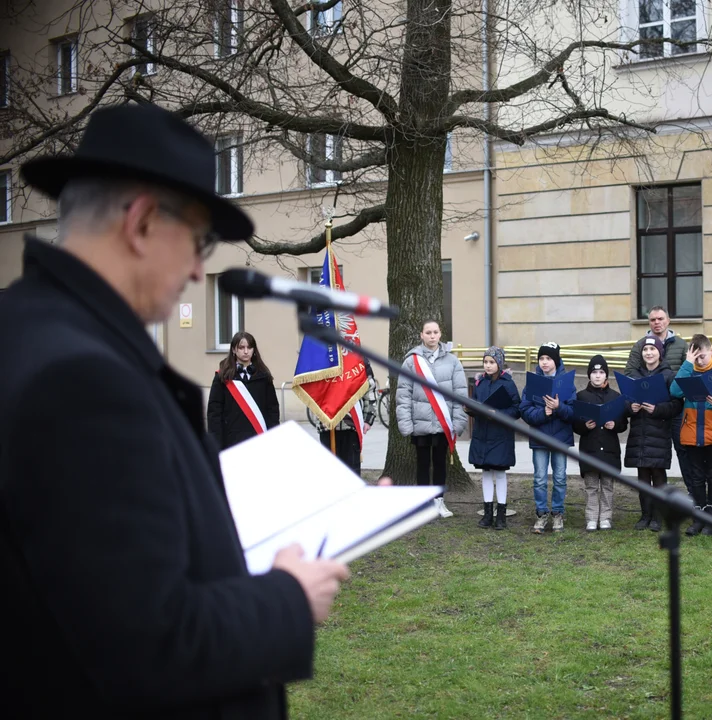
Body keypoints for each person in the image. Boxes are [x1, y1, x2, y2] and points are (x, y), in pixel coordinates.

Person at [0, 104, 347, 717]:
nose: (195, 270)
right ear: (140, 223)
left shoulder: (28, 329)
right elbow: (147, 642)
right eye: (198, 242)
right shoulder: (84, 380)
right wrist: (289, 599)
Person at [396, 319, 468, 518]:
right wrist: (406, 423)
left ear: (440, 334)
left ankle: (439, 502)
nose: (432, 336)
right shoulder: (411, 361)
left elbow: (460, 393)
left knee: (439, 464)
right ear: (421, 335)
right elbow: (403, 395)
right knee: (421, 464)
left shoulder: (452, 361)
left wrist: (458, 421)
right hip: (420, 423)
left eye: (435, 332)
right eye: (428, 332)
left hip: (443, 423)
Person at [670, 334, 712, 536]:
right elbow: (675, 391)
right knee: (696, 477)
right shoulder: (689, 369)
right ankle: (698, 518)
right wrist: (687, 364)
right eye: (695, 357)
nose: (699, 361)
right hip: (691, 433)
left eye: (702, 356)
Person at [624, 336, 681, 532]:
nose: (649, 353)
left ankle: (657, 516)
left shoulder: (668, 376)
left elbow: (676, 405)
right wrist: (631, 407)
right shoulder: (635, 376)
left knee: (658, 475)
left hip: (658, 433)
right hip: (639, 433)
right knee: (642, 477)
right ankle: (645, 515)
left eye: (653, 349)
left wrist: (656, 409)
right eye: (645, 349)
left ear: (660, 353)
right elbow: (625, 402)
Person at [625, 305, 689, 477]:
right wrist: (647, 387)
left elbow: (689, 371)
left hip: (674, 407)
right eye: (653, 319)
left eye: (660, 319)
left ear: (668, 320)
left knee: (683, 451)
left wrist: (670, 385)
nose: (657, 322)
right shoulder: (640, 345)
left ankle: (693, 494)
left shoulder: (682, 345)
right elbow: (630, 371)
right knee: (650, 456)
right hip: (648, 410)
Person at [521, 342, 576, 533]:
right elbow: (525, 411)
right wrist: (544, 412)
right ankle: (541, 513)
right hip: (540, 439)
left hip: (560, 438)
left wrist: (558, 407)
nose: (544, 362)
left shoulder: (567, 382)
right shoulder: (533, 383)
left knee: (560, 477)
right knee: (539, 478)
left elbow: (573, 413)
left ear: (556, 360)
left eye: (548, 359)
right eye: (541, 358)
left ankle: (558, 513)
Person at [573, 355, 629, 531]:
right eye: (594, 372)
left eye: (601, 372)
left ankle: (605, 517)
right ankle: (591, 517)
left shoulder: (615, 396)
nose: (597, 376)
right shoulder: (581, 396)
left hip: (610, 448)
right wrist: (585, 425)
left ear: (606, 375)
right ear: (589, 375)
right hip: (590, 448)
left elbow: (623, 424)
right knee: (591, 485)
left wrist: (615, 424)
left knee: (607, 485)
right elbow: (575, 424)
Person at [468, 347, 521, 530]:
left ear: (499, 363)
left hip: (500, 436)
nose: (488, 366)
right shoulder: (480, 383)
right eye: (485, 362)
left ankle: (501, 515)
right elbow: (475, 403)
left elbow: (516, 409)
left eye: (492, 362)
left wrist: (497, 413)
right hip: (483, 433)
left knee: (499, 472)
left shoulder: (508, 384)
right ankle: (487, 513)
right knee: (485, 472)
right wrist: (472, 410)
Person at [207, 331, 280, 449]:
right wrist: (215, 444)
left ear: (254, 350)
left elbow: (272, 409)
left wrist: (273, 436)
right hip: (231, 441)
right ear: (234, 350)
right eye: (241, 347)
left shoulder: (264, 376)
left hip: (259, 439)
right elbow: (214, 413)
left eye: (249, 347)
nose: (246, 351)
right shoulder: (222, 377)